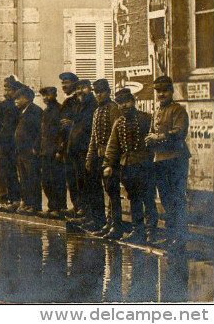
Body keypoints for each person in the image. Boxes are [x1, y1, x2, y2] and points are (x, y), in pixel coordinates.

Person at [105, 88, 157, 245]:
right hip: (127, 167)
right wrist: (108, 163)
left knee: (148, 199)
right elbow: (113, 145)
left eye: (126, 102)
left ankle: (151, 232)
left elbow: (154, 141)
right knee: (134, 198)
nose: (124, 106)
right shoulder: (118, 123)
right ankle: (138, 230)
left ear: (133, 101)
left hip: (145, 165)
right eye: (120, 103)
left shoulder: (146, 119)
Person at [145, 76, 190, 250]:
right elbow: (151, 132)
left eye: (165, 91)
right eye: (158, 91)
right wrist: (150, 138)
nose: (161, 94)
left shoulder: (178, 110)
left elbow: (179, 132)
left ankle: (180, 238)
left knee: (177, 198)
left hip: (176, 159)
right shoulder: (156, 112)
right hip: (160, 160)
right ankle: (171, 236)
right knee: (165, 199)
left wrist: (159, 137)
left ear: (171, 91)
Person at [86, 78, 121, 237]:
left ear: (108, 92)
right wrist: (90, 157)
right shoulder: (97, 111)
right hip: (99, 157)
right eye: (96, 92)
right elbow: (94, 137)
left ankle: (116, 225)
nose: (99, 95)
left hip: (111, 158)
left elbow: (116, 136)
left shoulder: (113, 109)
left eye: (101, 92)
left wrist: (111, 159)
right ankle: (108, 223)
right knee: (104, 190)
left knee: (113, 192)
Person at [66, 79, 101, 230]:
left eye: (84, 88)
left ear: (90, 89)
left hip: (87, 152)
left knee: (90, 185)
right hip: (77, 152)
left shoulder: (93, 105)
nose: (80, 91)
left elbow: (89, 130)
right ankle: (86, 215)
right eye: (78, 88)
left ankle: (93, 217)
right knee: (81, 184)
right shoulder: (80, 106)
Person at [38, 86, 68, 218]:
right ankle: (52, 206)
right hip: (45, 151)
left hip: (55, 151)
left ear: (55, 95)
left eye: (48, 95)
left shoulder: (60, 110)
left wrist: (60, 150)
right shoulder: (45, 112)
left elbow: (63, 132)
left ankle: (60, 207)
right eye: (43, 96)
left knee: (57, 180)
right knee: (46, 180)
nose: (45, 98)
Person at [13, 87, 43, 214]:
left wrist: (35, 147)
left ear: (27, 98)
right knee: (24, 178)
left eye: (18, 98)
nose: (16, 101)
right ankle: (27, 203)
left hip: (30, 151)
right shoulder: (22, 111)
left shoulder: (35, 111)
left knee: (33, 178)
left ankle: (35, 205)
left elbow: (39, 132)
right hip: (21, 151)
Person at [0, 78, 22, 212]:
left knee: (14, 173)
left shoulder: (19, 105)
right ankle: (4, 200)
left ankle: (16, 199)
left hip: (15, 143)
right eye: (5, 89)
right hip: (4, 143)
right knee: (3, 173)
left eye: (9, 89)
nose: (6, 92)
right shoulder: (3, 105)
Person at [58, 71, 83, 215]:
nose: (64, 85)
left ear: (75, 83)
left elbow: (80, 121)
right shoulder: (67, 100)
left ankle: (81, 207)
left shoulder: (77, 101)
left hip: (76, 144)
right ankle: (76, 205)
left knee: (77, 177)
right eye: (62, 83)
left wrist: (71, 123)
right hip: (67, 144)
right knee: (71, 178)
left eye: (66, 82)